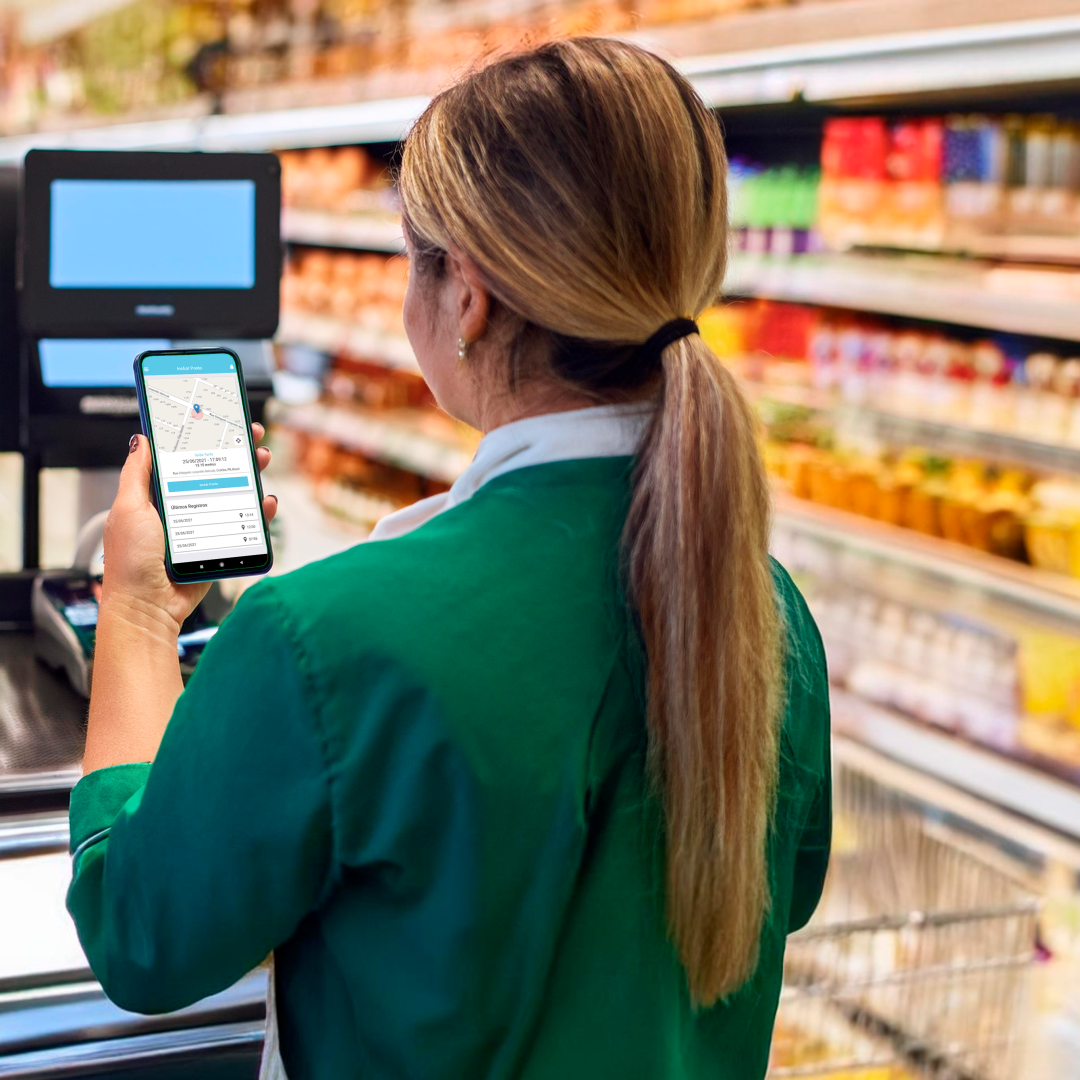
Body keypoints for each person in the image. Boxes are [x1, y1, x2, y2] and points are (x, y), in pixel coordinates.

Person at [67, 37, 830, 1080]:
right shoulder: (762, 610)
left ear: (465, 296)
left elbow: (142, 938)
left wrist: (142, 613)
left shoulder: (322, 634)